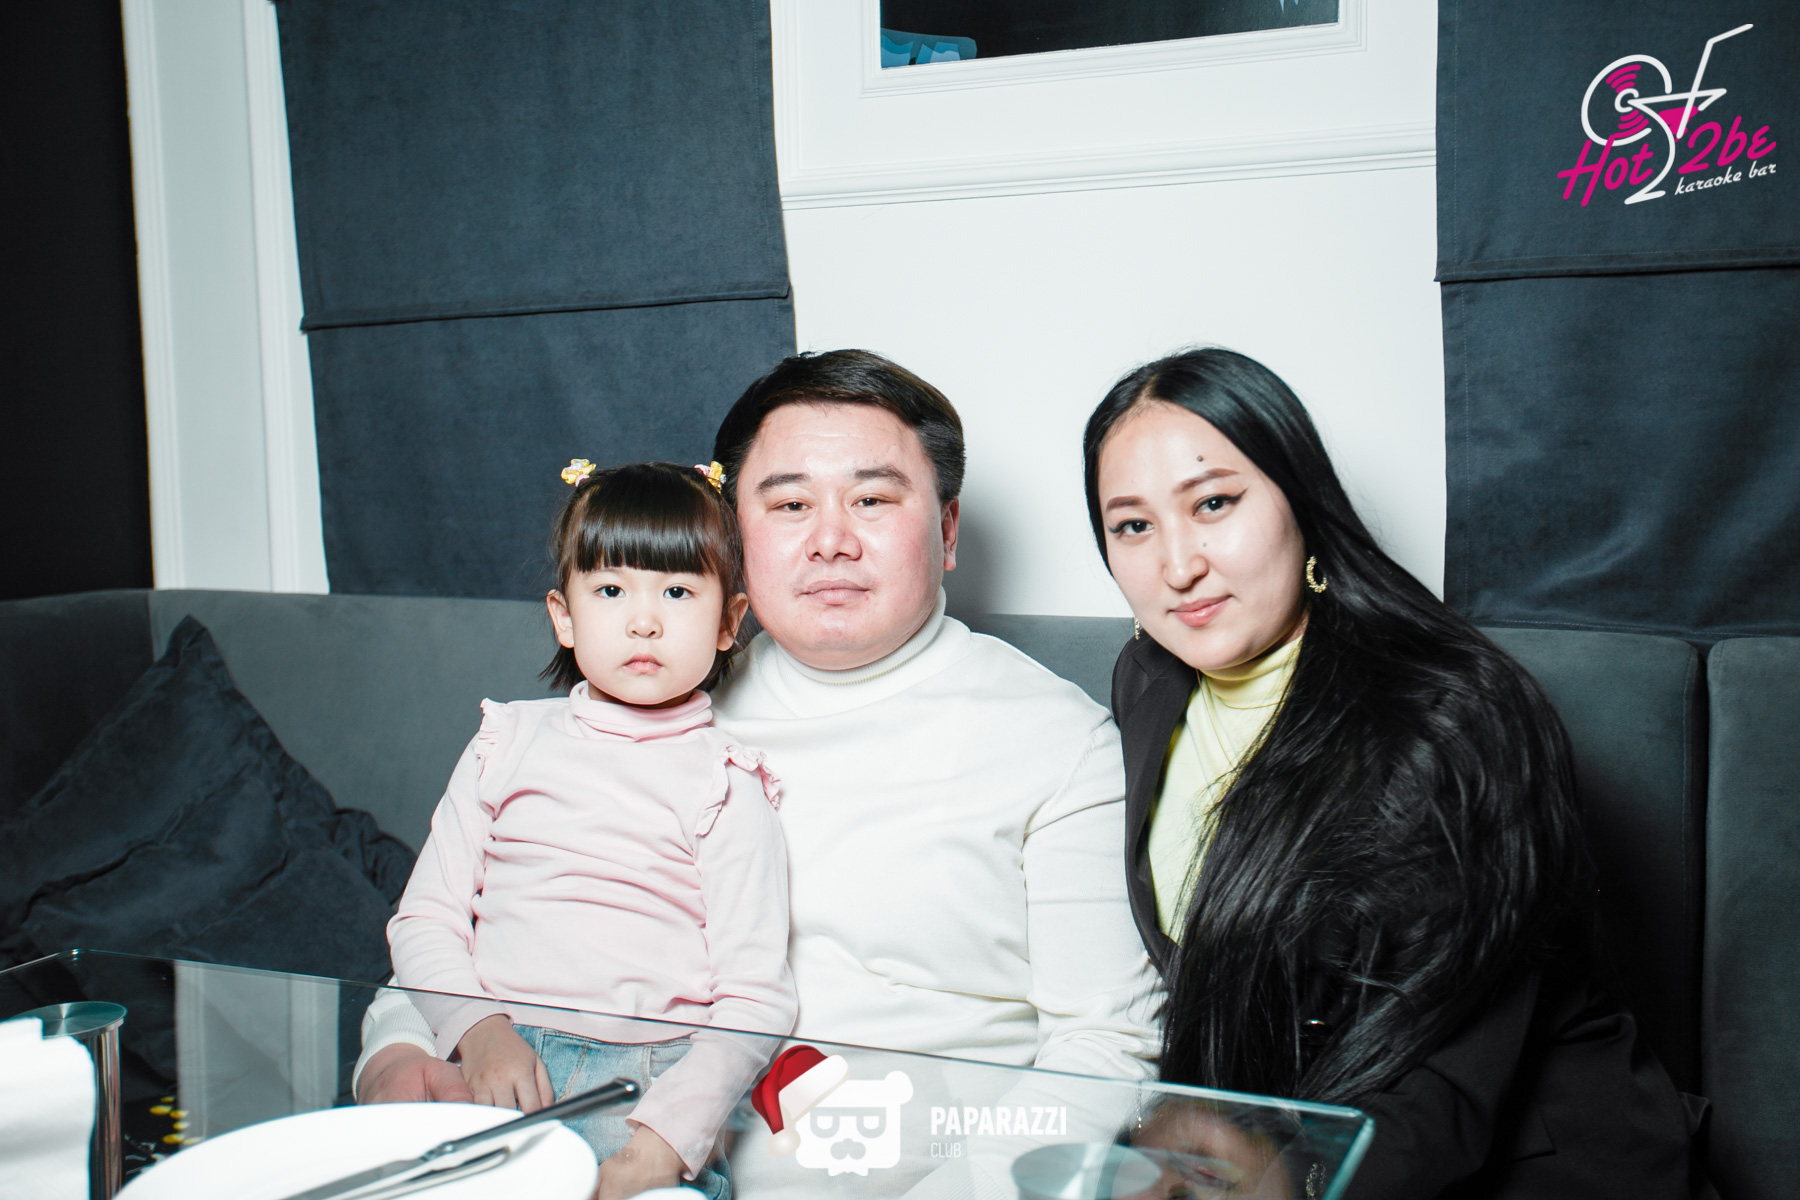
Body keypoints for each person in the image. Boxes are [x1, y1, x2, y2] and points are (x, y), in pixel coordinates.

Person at [357, 352, 1162, 1141]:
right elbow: (498, 913)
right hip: (588, 1137)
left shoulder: (1057, 742)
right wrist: (393, 1049)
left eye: (872, 499)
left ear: (946, 530)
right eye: (789, 505)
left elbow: (1104, 1050)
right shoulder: (657, 692)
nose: (831, 540)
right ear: (733, 536)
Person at [1086, 347, 1699, 1199]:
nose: (1178, 565)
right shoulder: (1150, 680)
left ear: (1301, 501)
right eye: (1133, 526)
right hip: (1270, 1155)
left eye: (1214, 503)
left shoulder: (1451, 719)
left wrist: (1280, 1179)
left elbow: (1446, 1080)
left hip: (1508, 1167)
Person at [386, 461, 795, 1200]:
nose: (644, 621)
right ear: (563, 615)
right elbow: (424, 920)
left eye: (677, 592)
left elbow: (755, 998)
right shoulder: (504, 742)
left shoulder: (727, 780)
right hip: (493, 1054)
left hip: (649, 1086)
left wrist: (664, 1141)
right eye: (610, 591)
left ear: (729, 622)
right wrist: (480, 1031)